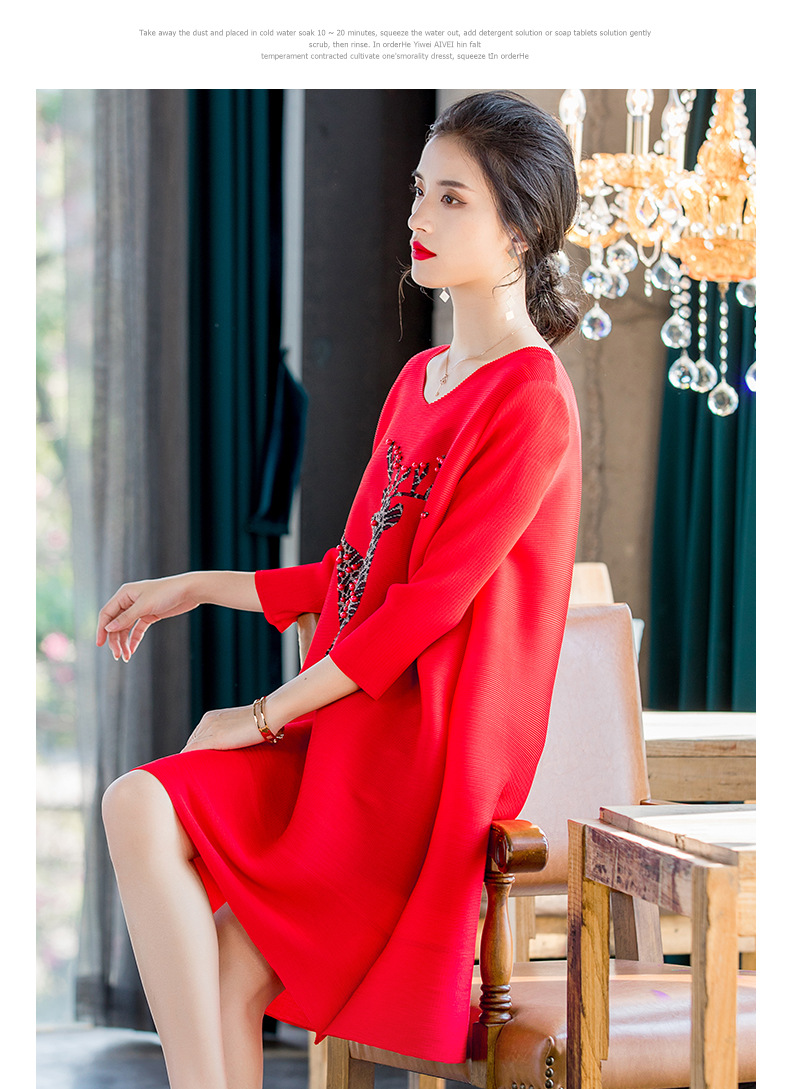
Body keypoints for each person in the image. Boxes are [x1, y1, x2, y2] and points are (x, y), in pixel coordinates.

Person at [98, 91, 583, 1089]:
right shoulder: (419, 381)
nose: (418, 216)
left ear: (520, 229)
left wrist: (261, 716)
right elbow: (354, 575)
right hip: (353, 719)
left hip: (418, 761)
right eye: (419, 191)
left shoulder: (532, 399)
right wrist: (193, 587)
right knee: (139, 811)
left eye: (452, 198)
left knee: (222, 959)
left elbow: (427, 609)